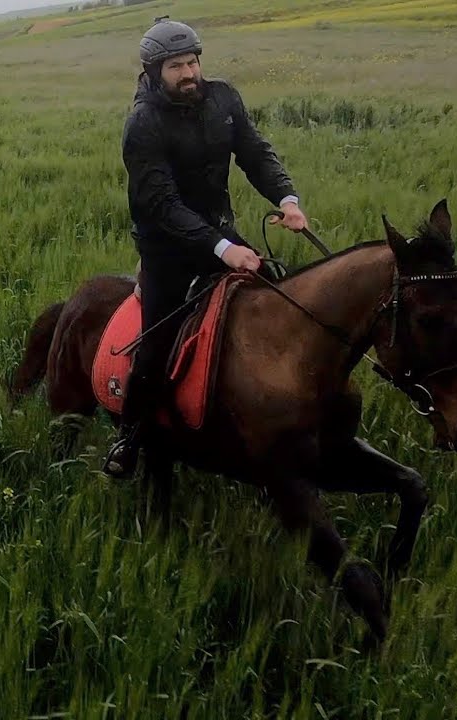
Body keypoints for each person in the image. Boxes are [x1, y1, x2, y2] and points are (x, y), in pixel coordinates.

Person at [102, 17, 308, 479]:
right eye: (176, 65)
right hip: (167, 250)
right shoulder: (143, 124)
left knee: (281, 305)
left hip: (221, 234)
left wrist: (287, 200)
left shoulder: (223, 98)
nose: (189, 72)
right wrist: (222, 249)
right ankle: (130, 436)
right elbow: (162, 204)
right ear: (154, 71)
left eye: (193, 61)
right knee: (156, 345)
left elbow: (254, 152)